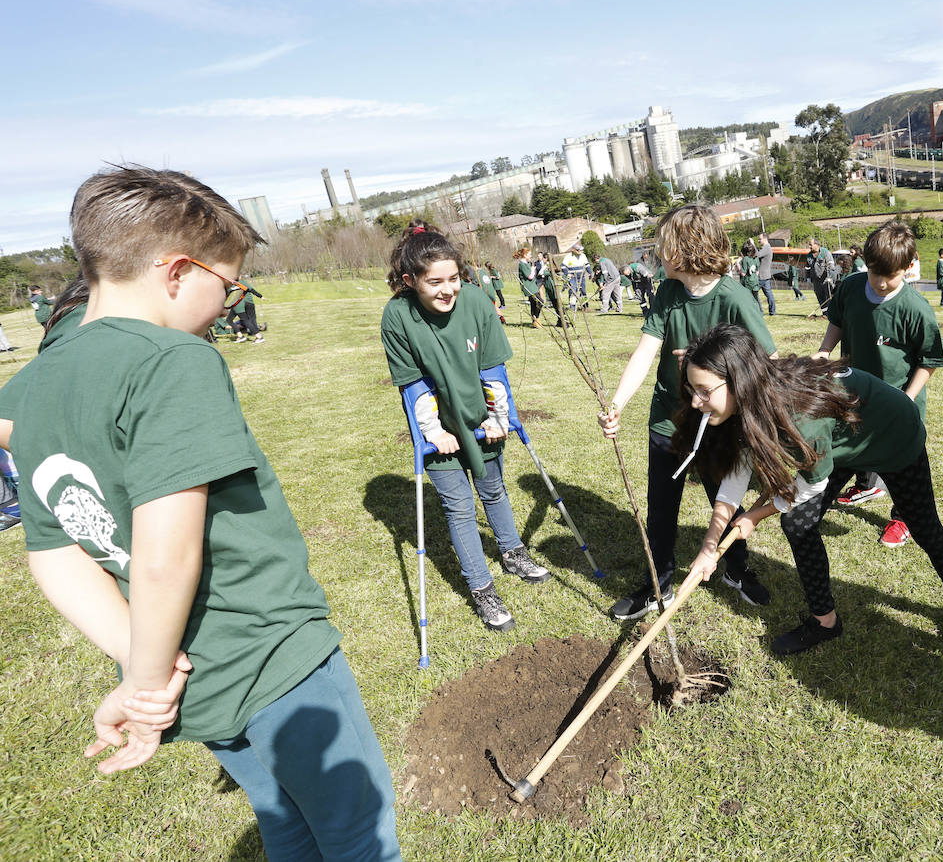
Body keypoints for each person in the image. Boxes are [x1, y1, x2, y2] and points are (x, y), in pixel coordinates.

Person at [0, 166, 400, 858]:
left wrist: (143, 669)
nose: (227, 304)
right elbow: (165, 552)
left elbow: (55, 549)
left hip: (193, 678)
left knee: (283, 818)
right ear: (177, 271)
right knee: (358, 830)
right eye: (229, 285)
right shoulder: (171, 361)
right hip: (270, 653)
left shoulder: (27, 391)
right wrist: (148, 685)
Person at [678, 324, 943, 658]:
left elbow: (811, 485)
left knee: (925, 528)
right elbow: (735, 481)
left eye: (704, 391)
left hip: (893, 436)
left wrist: (755, 516)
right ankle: (825, 622)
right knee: (798, 524)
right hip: (841, 439)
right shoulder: (751, 400)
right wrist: (709, 546)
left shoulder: (797, 419)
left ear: (737, 380)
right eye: (693, 389)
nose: (695, 401)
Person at [598, 204, 776, 619]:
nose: (658, 253)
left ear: (685, 249)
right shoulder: (667, 293)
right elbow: (645, 352)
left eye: (663, 245)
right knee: (661, 508)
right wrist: (617, 404)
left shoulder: (734, 297)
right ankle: (656, 583)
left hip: (718, 423)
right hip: (669, 420)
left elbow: (768, 360)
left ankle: (736, 567)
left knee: (723, 498)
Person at [381, 222, 549, 633]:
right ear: (410, 280)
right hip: (439, 426)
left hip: (480, 417)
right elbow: (412, 383)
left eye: (453, 278)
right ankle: (482, 590)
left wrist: (498, 417)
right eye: (435, 282)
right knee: (458, 507)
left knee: (493, 489)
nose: (448, 290)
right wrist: (433, 432)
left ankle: (512, 553)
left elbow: (493, 368)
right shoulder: (397, 316)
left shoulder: (475, 301)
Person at [821, 220, 943, 548]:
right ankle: (865, 483)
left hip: (898, 404)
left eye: (890, 275)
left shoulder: (916, 309)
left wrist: (907, 398)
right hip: (853, 395)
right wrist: (824, 351)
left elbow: (930, 360)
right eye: (873, 272)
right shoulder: (851, 287)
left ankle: (902, 517)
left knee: (904, 468)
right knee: (848, 444)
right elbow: (838, 320)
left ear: (909, 267)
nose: (880, 283)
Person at [229, 277, 264, 344]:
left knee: (247, 320)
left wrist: (260, 296)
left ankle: (257, 335)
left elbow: (250, 289)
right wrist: (260, 296)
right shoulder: (236, 283)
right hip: (243, 303)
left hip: (243, 303)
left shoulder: (238, 282)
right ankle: (255, 334)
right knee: (250, 319)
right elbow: (251, 289)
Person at [809, 238, 836, 313]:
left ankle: (832, 313)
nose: (809, 247)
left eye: (811, 245)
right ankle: (824, 313)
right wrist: (808, 277)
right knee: (820, 297)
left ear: (816, 245)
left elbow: (831, 266)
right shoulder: (809, 255)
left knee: (829, 297)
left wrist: (830, 277)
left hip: (826, 279)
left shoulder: (825, 252)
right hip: (816, 280)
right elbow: (807, 268)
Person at [562, 242, 590, 310]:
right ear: (573, 250)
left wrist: (590, 273)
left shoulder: (583, 256)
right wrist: (567, 273)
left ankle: (585, 305)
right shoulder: (568, 257)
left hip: (581, 277)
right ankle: (572, 306)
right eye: (577, 250)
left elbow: (587, 265)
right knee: (573, 291)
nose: (579, 251)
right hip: (573, 277)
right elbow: (563, 266)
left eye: (579, 250)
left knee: (583, 291)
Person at [756, 233, 777, 315]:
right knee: (769, 295)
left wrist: (753, 245)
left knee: (753, 292)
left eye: (759, 239)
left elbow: (757, 255)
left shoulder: (766, 248)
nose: (758, 241)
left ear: (764, 239)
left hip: (762, 276)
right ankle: (772, 311)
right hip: (765, 275)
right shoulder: (767, 248)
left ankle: (760, 311)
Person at [738, 241, 762, 312]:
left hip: (747, 283)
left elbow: (743, 273)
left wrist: (738, 264)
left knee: (746, 299)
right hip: (755, 281)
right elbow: (757, 271)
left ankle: (748, 312)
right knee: (756, 298)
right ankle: (759, 312)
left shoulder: (745, 259)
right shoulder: (756, 258)